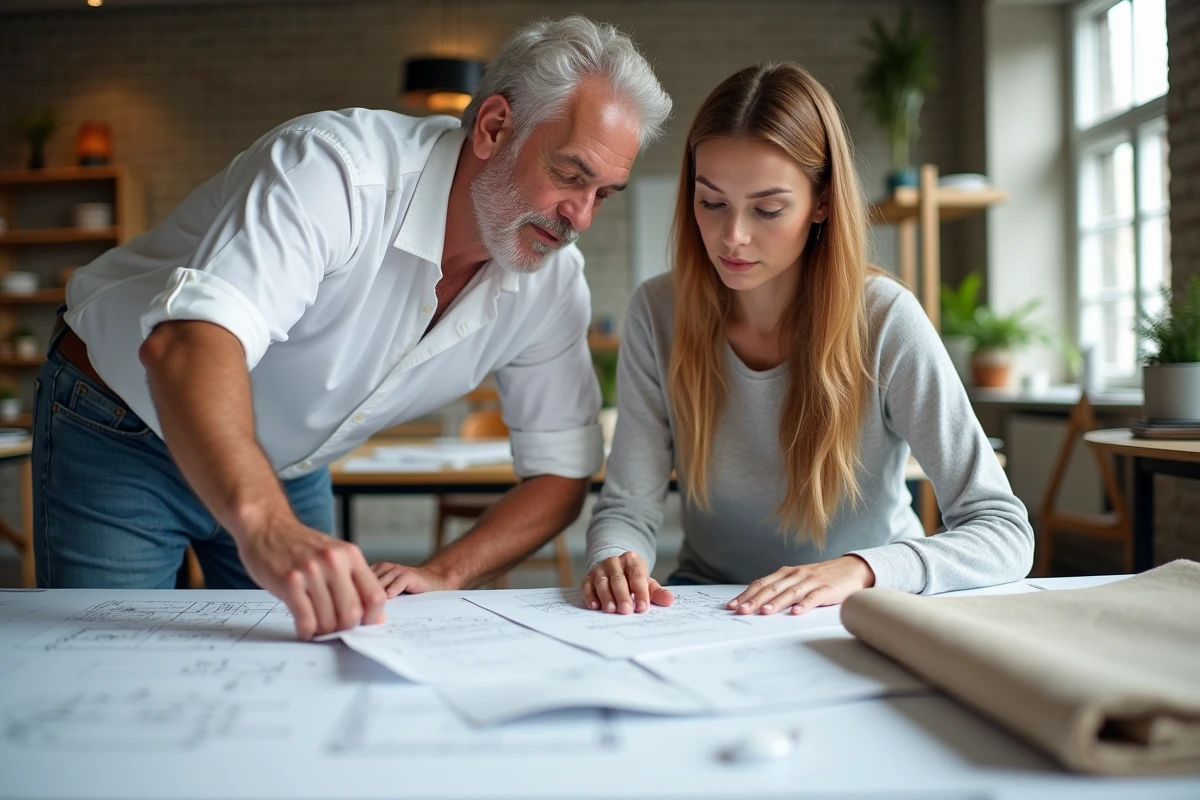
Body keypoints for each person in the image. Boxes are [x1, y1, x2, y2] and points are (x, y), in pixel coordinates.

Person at [36, 15, 672, 639]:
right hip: (124, 422)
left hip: (285, 460)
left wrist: (445, 572)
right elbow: (187, 342)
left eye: (604, 194)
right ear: (495, 127)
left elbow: (560, 474)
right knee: (114, 659)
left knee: (314, 666)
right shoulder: (335, 171)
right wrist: (264, 525)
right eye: (570, 175)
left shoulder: (553, 283)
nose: (580, 218)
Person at [581, 63, 1033, 617]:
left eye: (768, 209)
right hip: (711, 606)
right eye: (711, 202)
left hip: (863, 607)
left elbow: (1004, 531)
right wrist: (615, 556)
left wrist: (863, 568)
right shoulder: (658, 312)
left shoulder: (886, 319)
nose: (733, 237)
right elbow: (628, 505)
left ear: (822, 203)